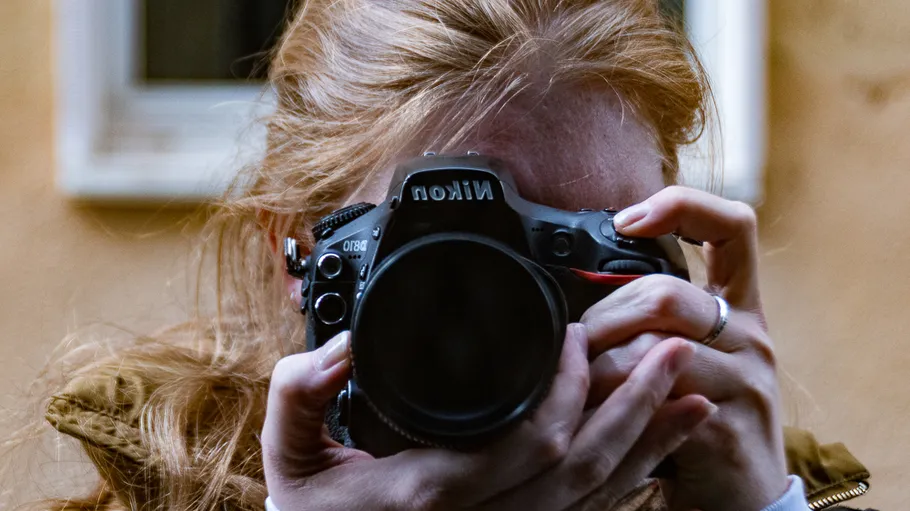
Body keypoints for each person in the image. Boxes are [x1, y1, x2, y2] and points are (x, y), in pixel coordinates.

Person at [26, 1, 873, 510]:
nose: (506, 319)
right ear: (299, 256)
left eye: (576, 250)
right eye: (459, 259)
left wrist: (765, 501)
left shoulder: (719, 473)